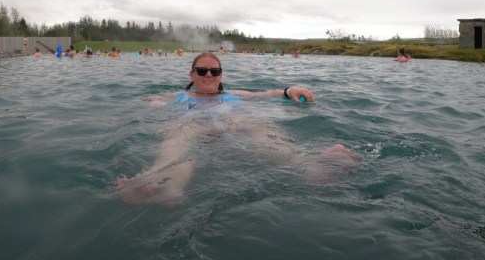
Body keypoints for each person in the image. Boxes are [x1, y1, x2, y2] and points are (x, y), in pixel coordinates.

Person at [115, 51, 358, 205]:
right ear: (192, 74)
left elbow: (266, 94)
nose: (209, 74)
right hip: (192, 124)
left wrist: (288, 90)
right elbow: (145, 101)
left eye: (215, 71)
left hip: (233, 125)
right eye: (202, 71)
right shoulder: (177, 96)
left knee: (259, 125)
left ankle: (307, 165)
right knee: (178, 134)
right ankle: (164, 184)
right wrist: (155, 103)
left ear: (221, 75)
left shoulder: (234, 94)